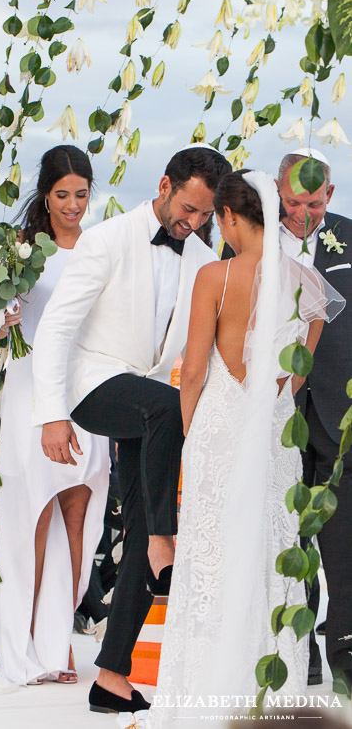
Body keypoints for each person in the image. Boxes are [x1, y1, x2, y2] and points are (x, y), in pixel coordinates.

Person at [31, 144, 232, 713]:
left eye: (204, 216)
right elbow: (56, 331)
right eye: (187, 209)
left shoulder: (198, 260)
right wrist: (52, 413)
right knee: (167, 415)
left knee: (139, 528)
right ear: (165, 185)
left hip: (149, 402)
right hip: (93, 383)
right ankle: (166, 540)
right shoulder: (108, 239)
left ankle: (112, 677)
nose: (192, 223)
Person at [149, 171, 344, 727]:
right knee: (270, 554)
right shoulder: (305, 281)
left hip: (218, 428)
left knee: (211, 555)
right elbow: (297, 375)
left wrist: (192, 432)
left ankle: (204, 691)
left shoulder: (215, 275)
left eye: (219, 220)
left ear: (233, 217)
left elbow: (191, 373)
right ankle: (268, 696)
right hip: (275, 434)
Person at [0, 145, 109, 685]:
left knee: (79, 518)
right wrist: (3, 310)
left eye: (81, 194)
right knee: (31, 515)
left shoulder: (100, 248)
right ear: (45, 196)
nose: (73, 205)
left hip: (87, 391)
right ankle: (19, 640)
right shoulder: (21, 251)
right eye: (62, 194)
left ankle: (59, 645)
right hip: (31, 394)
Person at [276, 149, 352, 695]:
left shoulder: (348, 237)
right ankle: (296, 649)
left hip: (339, 409)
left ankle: (345, 649)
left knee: (343, 535)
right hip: (277, 409)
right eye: (293, 201)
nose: (304, 213)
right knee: (285, 527)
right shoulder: (243, 237)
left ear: (331, 195)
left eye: (315, 201)